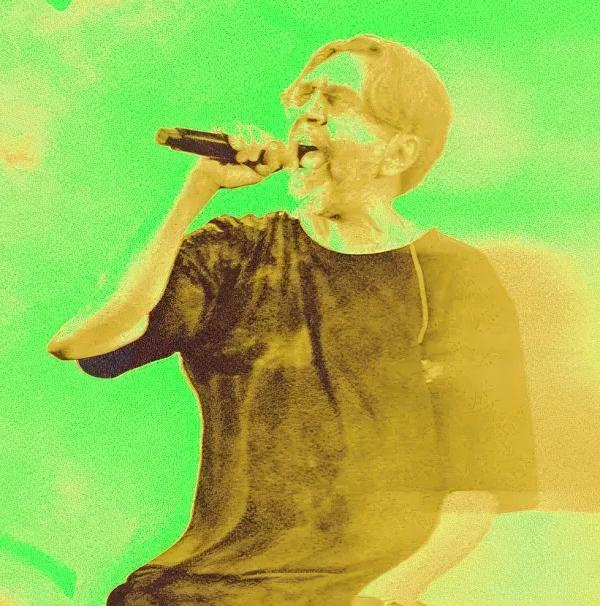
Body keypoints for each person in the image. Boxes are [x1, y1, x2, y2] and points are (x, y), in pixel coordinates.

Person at [47, 34, 538, 606]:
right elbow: (83, 341)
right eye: (304, 96)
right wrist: (195, 191)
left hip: (359, 590)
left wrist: (389, 594)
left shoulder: (454, 276)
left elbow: (477, 490)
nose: (309, 113)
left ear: (398, 152)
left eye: (337, 100)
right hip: (205, 585)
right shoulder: (235, 253)